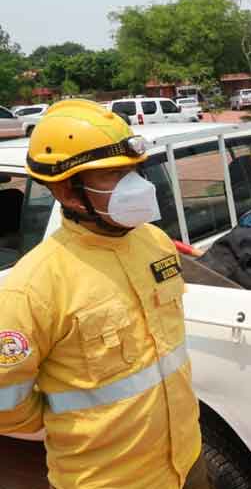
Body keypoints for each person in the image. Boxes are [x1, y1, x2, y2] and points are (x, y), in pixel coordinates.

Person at [0, 100, 209, 489]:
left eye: (133, 170)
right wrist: (78, 426)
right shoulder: (34, 286)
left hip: (187, 462)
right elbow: (5, 403)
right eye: (114, 175)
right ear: (67, 191)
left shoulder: (155, 243)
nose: (136, 185)